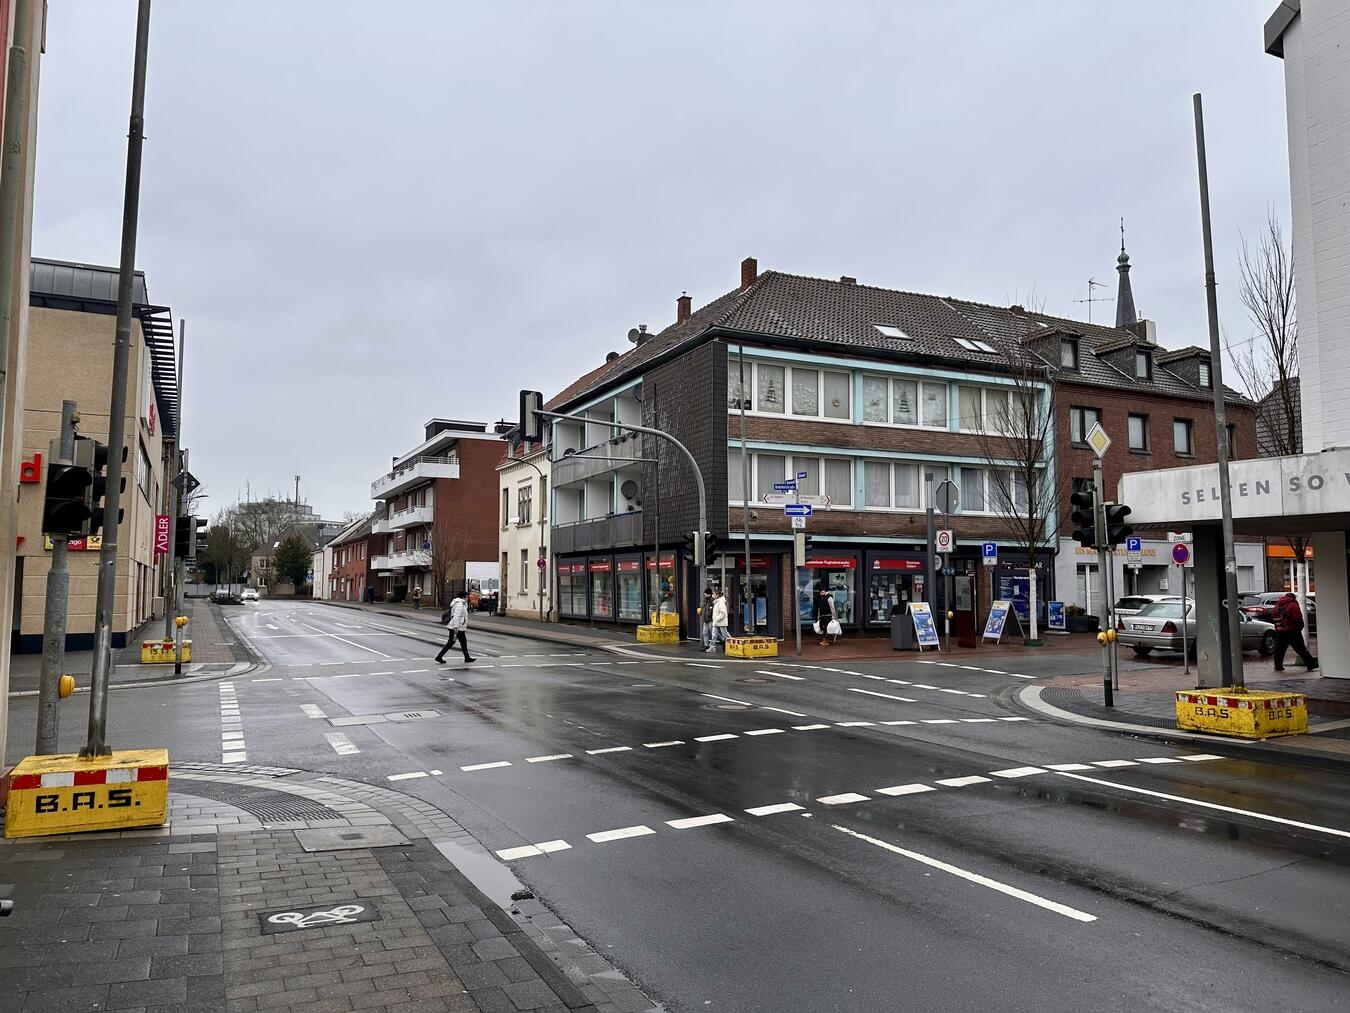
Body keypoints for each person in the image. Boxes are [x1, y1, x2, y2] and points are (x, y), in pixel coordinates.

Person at [1271, 592, 1317, 672]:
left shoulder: (1278, 605)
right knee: (1301, 648)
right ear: (1293, 598)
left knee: (1280, 649)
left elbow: (1274, 616)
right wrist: (1299, 627)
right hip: (1292, 630)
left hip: (1280, 630)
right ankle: (1311, 664)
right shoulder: (1293, 605)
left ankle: (1278, 666)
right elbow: (1297, 617)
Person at [435, 590, 475, 664]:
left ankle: (467, 657)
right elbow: (456, 616)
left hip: (458, 626)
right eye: (467, 597)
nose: (468, 598)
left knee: (462, 642)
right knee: (451, 642)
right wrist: (456, 627)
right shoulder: (459, 604)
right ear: (463, 597)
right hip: (456, 627)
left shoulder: (462, 604)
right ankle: (439, 657)